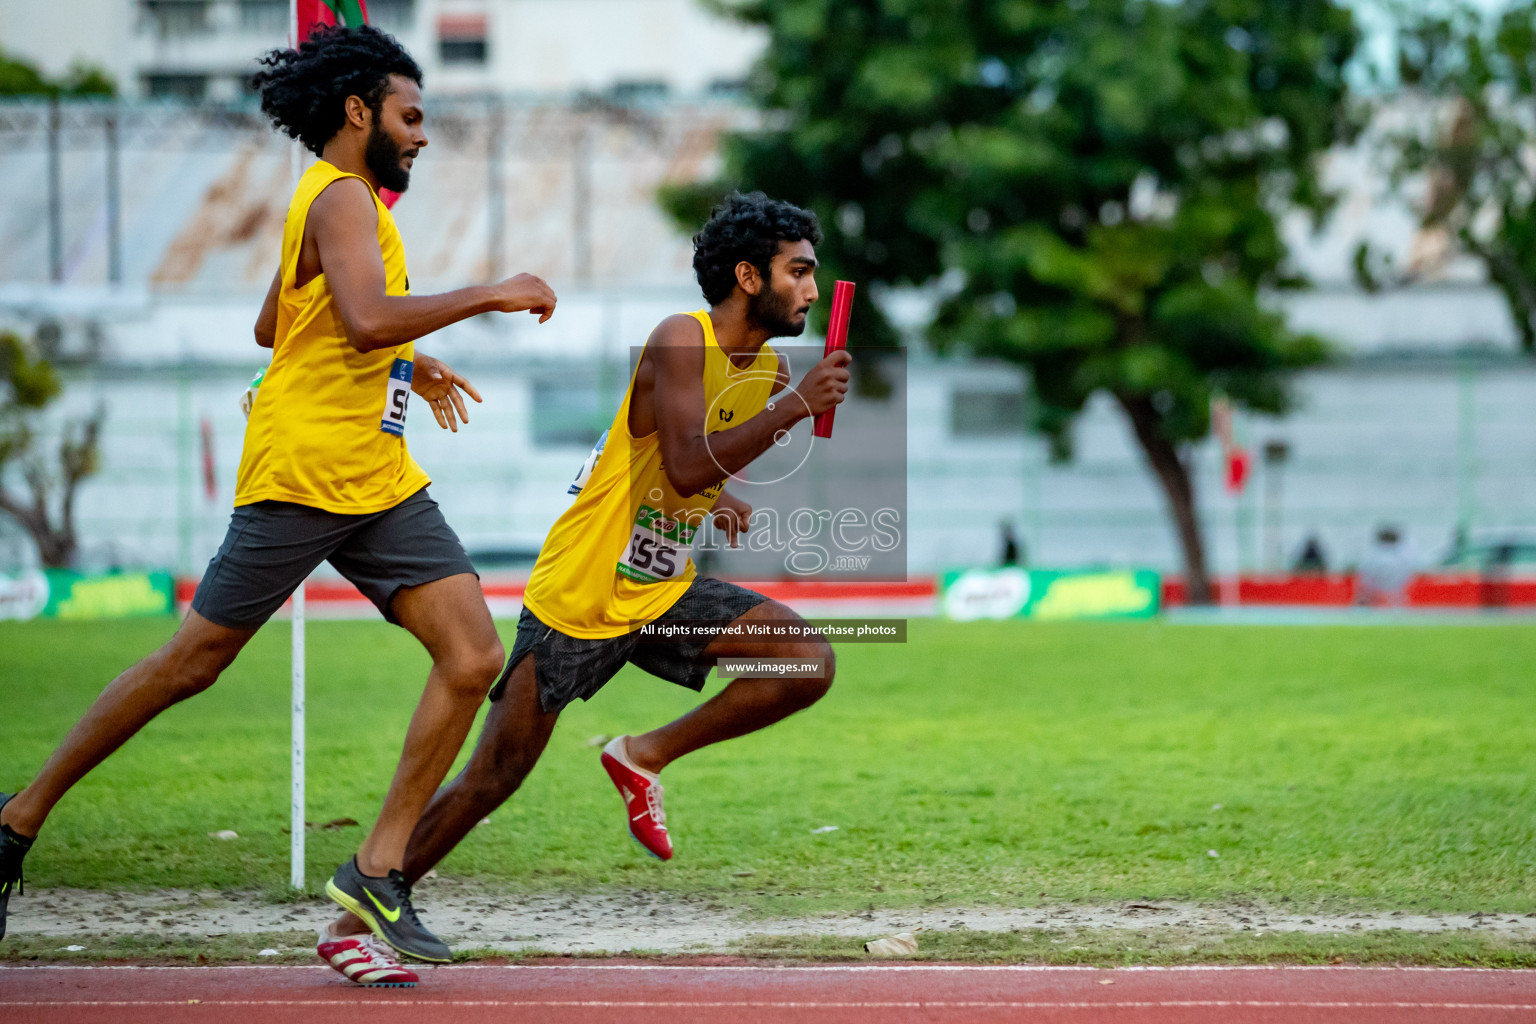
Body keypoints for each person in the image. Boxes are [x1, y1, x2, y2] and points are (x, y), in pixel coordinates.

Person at [0, 24, 559, 987]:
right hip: (302, 474)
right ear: (359, 113)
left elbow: (277, 321)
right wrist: (491, 293)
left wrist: (404, 361)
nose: (423, 136)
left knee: (472, 653)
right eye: (410, 116)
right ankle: (15, 818)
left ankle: (377, 869)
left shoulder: (334, 205)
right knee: (191, 664)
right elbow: (363, 317)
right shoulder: (342, 196)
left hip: (377, 477)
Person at [323, 190, 849, 950]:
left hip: (662, 590)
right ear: (747, 276)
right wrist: (796, 408)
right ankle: (355, 917)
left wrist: (723, 490)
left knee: (805, 663)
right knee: (490, 779)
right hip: (582, 593)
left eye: (814, 275)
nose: (810, 289)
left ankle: (643, 755)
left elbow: (682, 458)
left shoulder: (763, 369)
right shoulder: (679, 338)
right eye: (799, 272)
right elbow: (683, 454)